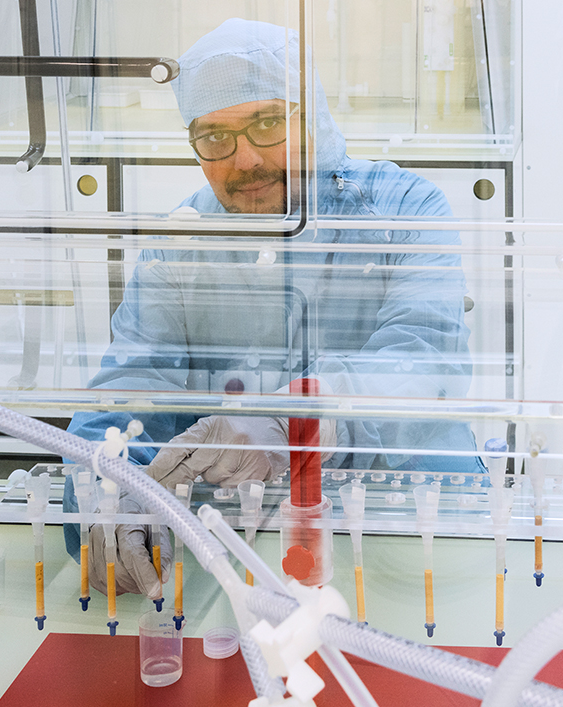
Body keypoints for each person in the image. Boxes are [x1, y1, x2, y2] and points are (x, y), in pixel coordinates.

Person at [63, 18, 485, 600]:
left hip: (407, 525)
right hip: (232, 536)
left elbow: (422, 359)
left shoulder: (403, 208)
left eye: (266, 124)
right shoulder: (183, 241)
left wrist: (290, 422)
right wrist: (105, 490)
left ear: (310, 113)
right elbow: (136, 381)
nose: (244, 161)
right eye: (214, 137)